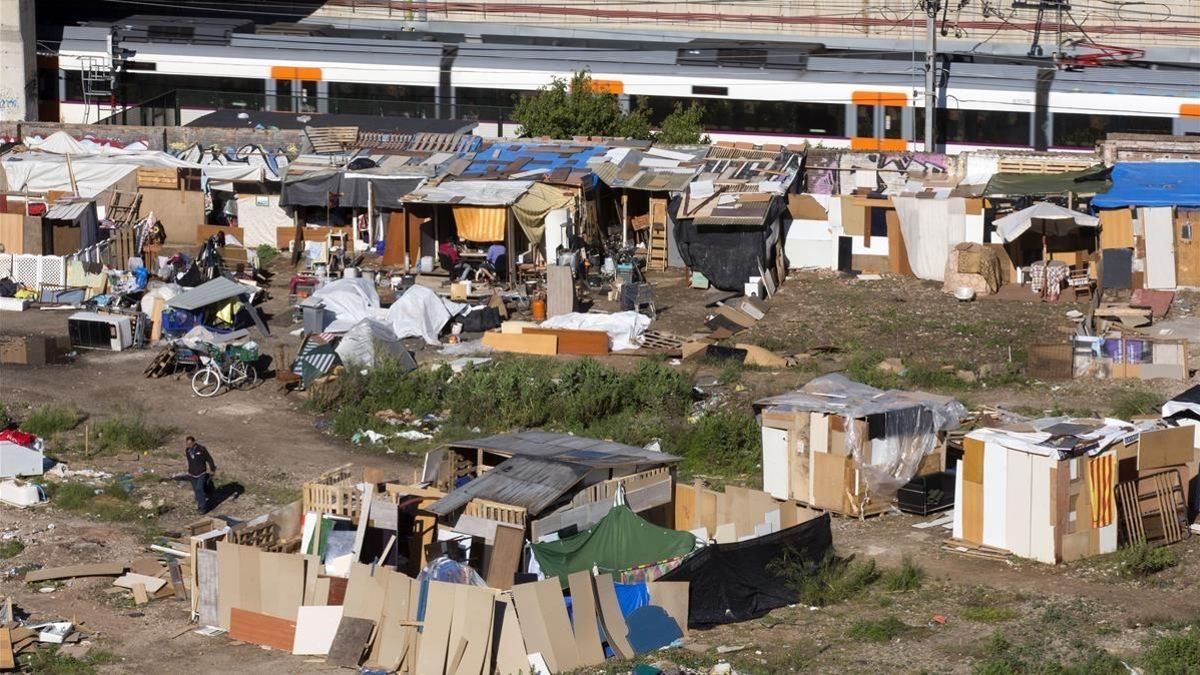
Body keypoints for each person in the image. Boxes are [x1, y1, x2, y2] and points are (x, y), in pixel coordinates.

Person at [185, 436, 217, 513]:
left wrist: (212, 469)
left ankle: (202, 508)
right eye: (187, 443)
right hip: (192, 474)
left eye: (190, 443)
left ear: (194, 442)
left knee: (199, 489)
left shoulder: (201, 449)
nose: (188, 445)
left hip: (201, 473)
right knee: (196, 490)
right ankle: (200, 504)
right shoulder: (187, 450)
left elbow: (209, 459)